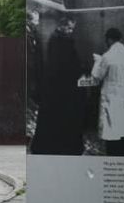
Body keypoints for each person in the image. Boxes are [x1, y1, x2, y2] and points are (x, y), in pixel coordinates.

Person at [31, 16, 85, 155]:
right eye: (69, 28)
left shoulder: (55, 40)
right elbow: (68, 65)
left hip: (55, 88)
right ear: (63, 26)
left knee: (52, 119)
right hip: (63, 88)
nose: (71, 31)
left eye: (72, 28)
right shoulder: (62, 42)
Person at [91, 27, 124, 156]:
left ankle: (113, 156)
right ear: (121, 39)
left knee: (111, 127)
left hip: (111, 95)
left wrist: (97, 62)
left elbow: (97, 76)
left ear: (109, 40)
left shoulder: (107, 56)